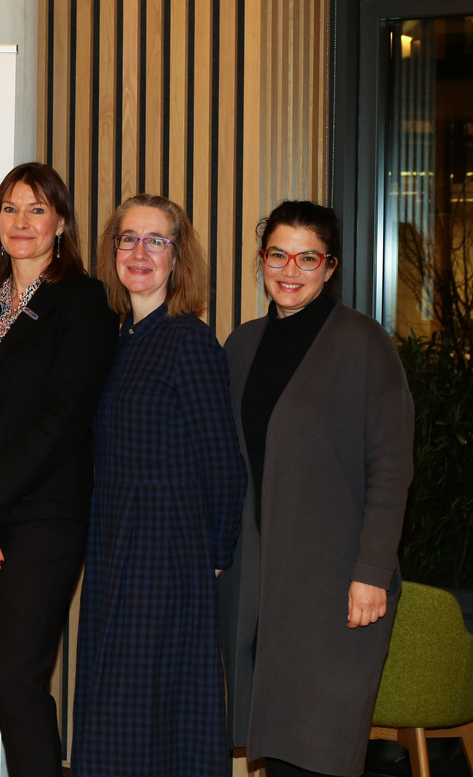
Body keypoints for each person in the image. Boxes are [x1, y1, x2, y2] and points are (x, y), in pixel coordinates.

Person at [0, 162, 117, 776]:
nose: (22, 222)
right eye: (10, 209)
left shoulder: (84, 301)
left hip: (43, 519)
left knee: (18, 678)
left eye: (37, 209)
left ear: (61, 222)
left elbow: (62, 418)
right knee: (4, 684)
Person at [219, 201, 413, 777]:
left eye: (308, 257)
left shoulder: (363, 343)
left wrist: (372, 571)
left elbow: (391, 466)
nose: (290, 268)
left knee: (319, 747)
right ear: (261, 261)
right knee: (275, 744)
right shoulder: (242, 345)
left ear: (330, 268)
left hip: (335, 587)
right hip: (256, 580)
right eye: (278, 254)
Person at [71, 193, 246, 777]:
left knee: (150, 713)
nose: (139, 252)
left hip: (167, 552)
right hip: (113, 542)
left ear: (178, 258)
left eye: (156, 241)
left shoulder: (189, 341)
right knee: (114, 707)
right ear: (112, 251)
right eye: (128, 239)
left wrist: (214, 554)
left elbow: (222, 461)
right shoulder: (113, 340)